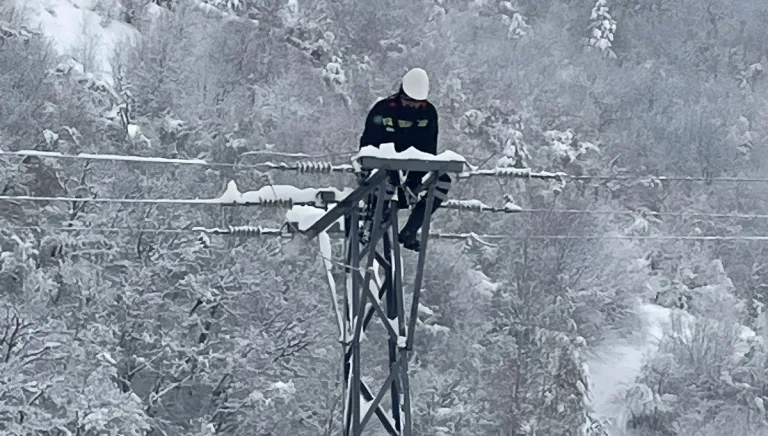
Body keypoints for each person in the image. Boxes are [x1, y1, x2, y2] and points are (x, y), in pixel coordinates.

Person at [358, 68, 452, 252]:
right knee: (384, 183)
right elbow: (368, 146)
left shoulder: (428, 113)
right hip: (382, 167)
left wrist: (415, 178)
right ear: (401, 95)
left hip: (414, 167)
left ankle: (411, 229)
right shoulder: (383, 110)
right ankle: (374, 220)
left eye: (419, 103)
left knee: (442, 182)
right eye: (409, 102)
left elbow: (429, 150)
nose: (414, 107)